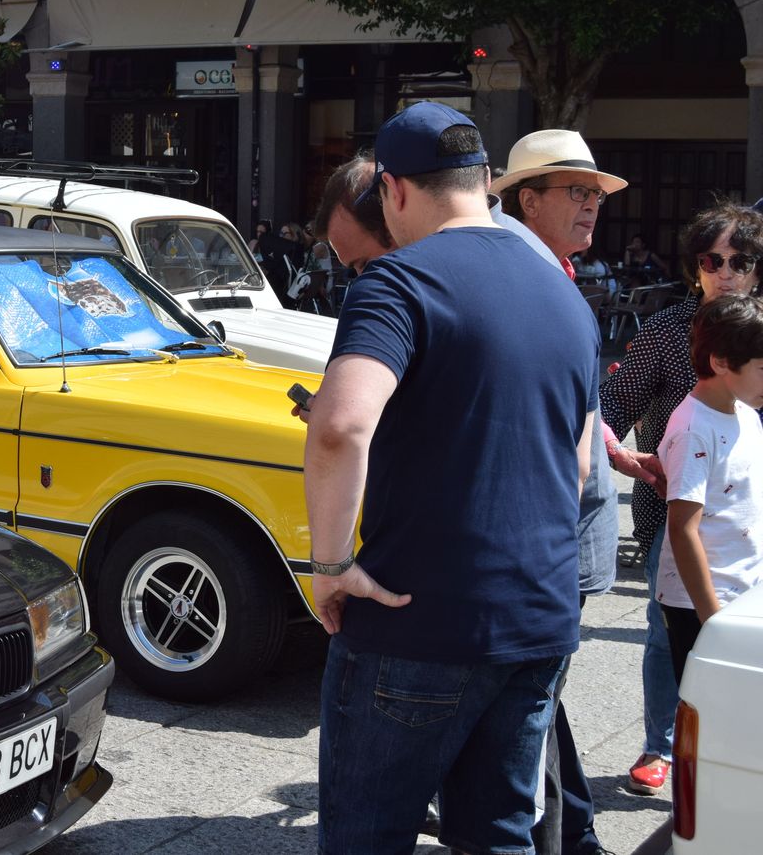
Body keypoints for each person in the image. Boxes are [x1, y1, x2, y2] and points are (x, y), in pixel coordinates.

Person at [305, 102, 598, 855]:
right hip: (537, 619)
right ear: (488, 184)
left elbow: (340, 426)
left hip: (417, 621)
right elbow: (579, 461)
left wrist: (331, 567)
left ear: (394, 190)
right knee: (498, 832)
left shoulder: (400, 283)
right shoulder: (564, 294)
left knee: (366, 835)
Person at [492, 127, 630, 855]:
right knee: (531, 707)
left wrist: (611, 448)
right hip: (551, 542)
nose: (591, 205)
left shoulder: (555, 272)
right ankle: (563, 837)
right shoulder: (528, 273)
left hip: (563, 536)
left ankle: (572, 830)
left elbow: (570, 403)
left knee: (540, 701)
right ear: (527, 200)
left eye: (594, 194)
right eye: (575, 192)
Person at [600, 200, 763, 796]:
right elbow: (610, 407)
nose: (725, 270)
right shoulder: (669, 331)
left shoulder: (761, 334)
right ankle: (660, 747)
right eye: (711, 259)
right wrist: (620, 455)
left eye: (740, 260)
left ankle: (730, 751)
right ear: (695, 266)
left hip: (749, 523)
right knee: (664, 630)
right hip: (673, 512)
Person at [656, 293, 763, 691]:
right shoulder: (693, 429)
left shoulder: (746, 414)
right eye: (762, 369)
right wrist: (712, 618)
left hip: (745, 594)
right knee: (711, 714)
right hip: (701, 604)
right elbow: (683, 528)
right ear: (720, 362)